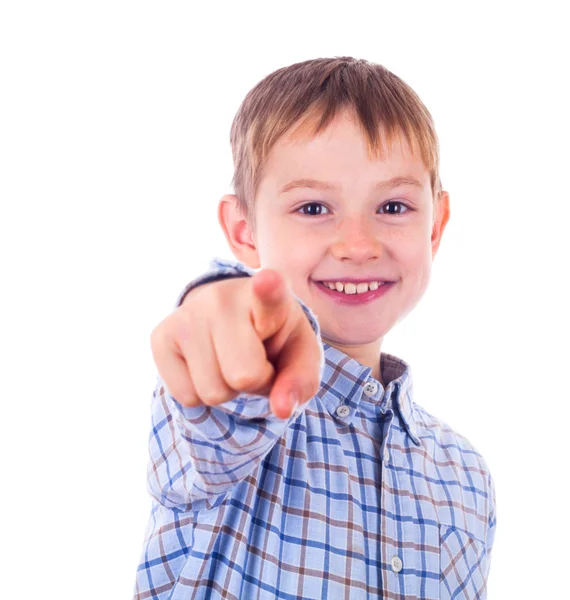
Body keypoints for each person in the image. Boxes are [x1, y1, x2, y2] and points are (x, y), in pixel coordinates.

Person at [133, 56, 496, 599]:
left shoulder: (467, 475)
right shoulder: (242, 407)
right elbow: (220, 387)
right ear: (244, 230)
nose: (358, 244)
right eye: (313, 207)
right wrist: (223, 310)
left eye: (393, 206)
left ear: (436, 227)